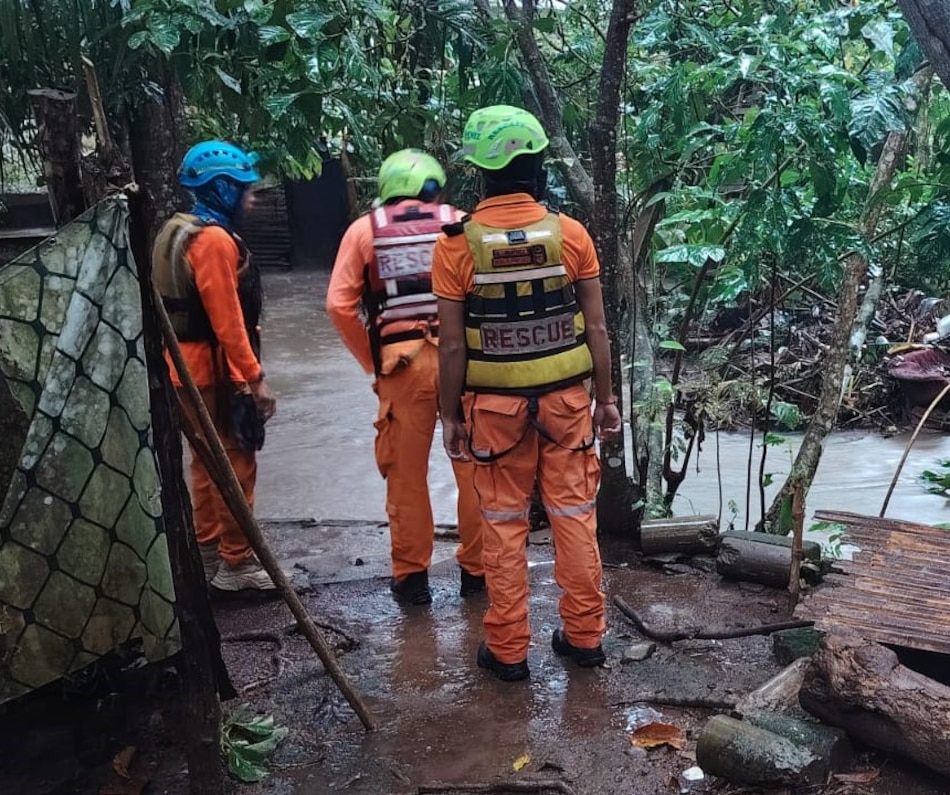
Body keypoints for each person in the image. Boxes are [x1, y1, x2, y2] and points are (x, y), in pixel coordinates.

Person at [431, 106, 622, 680]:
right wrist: (607, 400)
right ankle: (586, 638)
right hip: (566, 407)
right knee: (574, 519)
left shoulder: (456, 247)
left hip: (492, 414)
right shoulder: (570, 235)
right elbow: (596, 330)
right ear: (537, 167)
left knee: (505, 528)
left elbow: (451, 350)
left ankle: (510, 651)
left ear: (480, 173)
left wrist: (449, 418)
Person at [325, 148, 484, 606]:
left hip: (401, 365)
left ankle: (412, 578)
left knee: (406, 476)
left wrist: (373, 364)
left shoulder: (364, 231)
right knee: (473, 470)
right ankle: (476, 573)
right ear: (434, 185)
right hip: (464, 363)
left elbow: (338, 306)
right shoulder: (462, 222)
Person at [152, 140, 277, 592]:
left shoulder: (176, 229)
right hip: (213, 370)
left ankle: (208, 551)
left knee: (205, 463)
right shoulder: (213, 241)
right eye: (245, 189)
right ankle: (237, 563)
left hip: (181, 367)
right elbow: (228, 322)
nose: (252, 197)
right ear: (221, 188)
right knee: (236, 462)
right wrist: (254, 380)